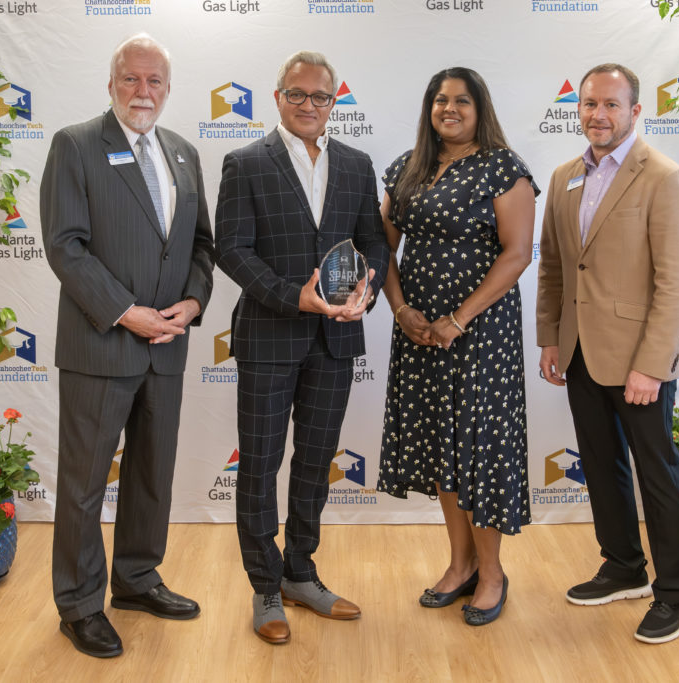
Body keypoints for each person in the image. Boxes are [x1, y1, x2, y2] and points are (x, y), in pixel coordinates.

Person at [40, 33, 214, 658]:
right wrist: (125, 313)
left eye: (155, 82)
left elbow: (200, 245)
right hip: (101, 344)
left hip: (168, 346)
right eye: (132, 79)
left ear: (168, 89)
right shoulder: (76, 145)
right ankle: (80, 604)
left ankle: (137, 580)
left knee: (151, 474)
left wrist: (193, 304)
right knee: (86, 484)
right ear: (111, 83)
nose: (144, 91)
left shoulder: (185, 153)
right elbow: (64, 245)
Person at [214, 50, 389, 645]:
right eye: (297, 94)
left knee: (315, 465)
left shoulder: (359, 165)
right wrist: (296, 298)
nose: (309, 106)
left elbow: (373, 243)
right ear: (278, 96)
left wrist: (366, 289)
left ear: (334, 101)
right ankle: (265, 586)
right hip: (270, 336)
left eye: (320, 97)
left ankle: (302, 573)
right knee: (260, 467)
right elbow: (232, 250)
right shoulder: (245, 163)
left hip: (336, 340)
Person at [535, 63, 679, 644]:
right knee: (601, 466)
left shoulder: (664, 177)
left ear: (635, 111)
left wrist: (651, 366)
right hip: (580, 351)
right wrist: (550, 336)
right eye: (588, 104)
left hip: (639, 361)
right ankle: (623, 566)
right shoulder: (563, 178)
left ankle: (676, 594)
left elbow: (676, 283)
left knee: (657, 473)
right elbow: (555, 266)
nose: (598, 115)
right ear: (577, 110)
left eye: (611, 104)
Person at [376, 67, 538, 627]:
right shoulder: (406, 169)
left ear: (479, 108)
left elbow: (517, 254)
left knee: (479, 451)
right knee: (443, 446)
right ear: (429, 108)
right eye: (440, 100)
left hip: (480, 335)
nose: (450, 108)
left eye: (461, 100)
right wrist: (402, 310)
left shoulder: (504, 169)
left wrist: (457, 319)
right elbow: (382, 247)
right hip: (420, 334)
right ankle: (459, 564)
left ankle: (492, 574)